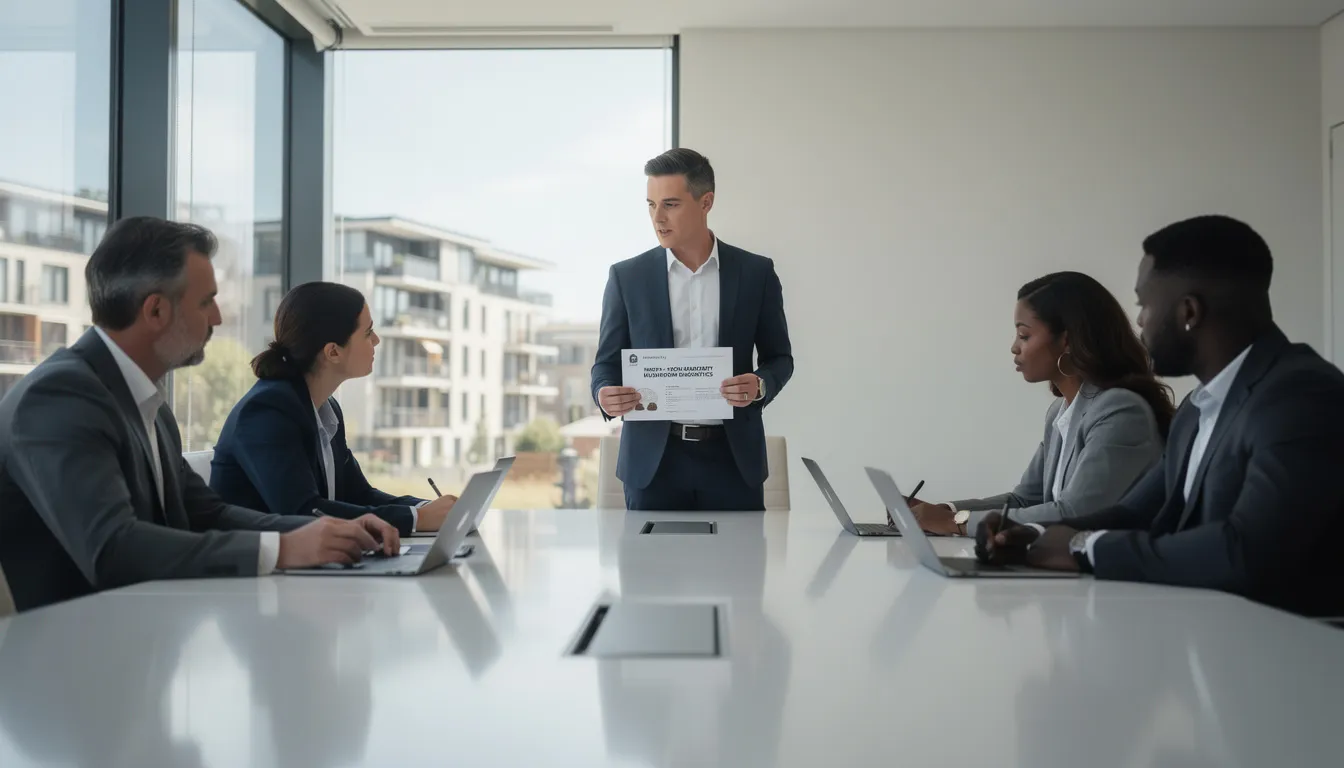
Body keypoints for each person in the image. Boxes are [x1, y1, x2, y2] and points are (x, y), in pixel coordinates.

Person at [0, 217, 399, 613]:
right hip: (66, 655)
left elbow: (207, 513)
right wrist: (284, 549)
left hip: (136, 635)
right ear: (155, 311)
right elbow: (112, 548)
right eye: (206, 302)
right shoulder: (59, 397)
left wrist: (326, 531)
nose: (218, 319)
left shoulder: (149, 407)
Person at [978, 215, 1344, 618]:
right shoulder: (1196, 409)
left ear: (1189, 311)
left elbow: (1247, 553)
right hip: (1204, 641)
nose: (1138, 321)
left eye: (1145, 304)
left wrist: (1084, 547)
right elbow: (1135, 512)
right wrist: (1031, 534)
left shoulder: (1300, 395)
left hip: (1286, 659)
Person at [591, 148, 793, 511]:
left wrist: (761, 384)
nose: (658, 218)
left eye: (670, 204)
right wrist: (604, 392)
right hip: (654, 463)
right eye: (650, 205)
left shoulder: (755, 273)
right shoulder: (627, 278)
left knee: (739, 568)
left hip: (733, 461)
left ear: (706, 202)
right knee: (649, 569)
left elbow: (780, 358)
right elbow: (605, 364)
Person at [909, 271, 1174, 535]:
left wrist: (956, 524)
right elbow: (1025, 500)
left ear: (1067, 340)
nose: (1014, 347)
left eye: (1024, 336)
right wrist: (947, 511)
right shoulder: (1060, 413)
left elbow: (1076, 513)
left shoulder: (1120, 410)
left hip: (1116, 574)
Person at [210, 282, 458, 536]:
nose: (376, 339)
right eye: (368, 332)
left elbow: (359, 494)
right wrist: (416, 518)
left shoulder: (326, 409)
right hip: (256, 571)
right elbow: (303, 511)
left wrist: (427, 508)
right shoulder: (266, 412)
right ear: (333, 352)